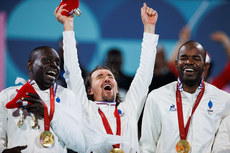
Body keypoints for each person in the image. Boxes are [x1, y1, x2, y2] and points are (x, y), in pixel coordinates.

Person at [55, 2, 159, 152]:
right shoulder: (85, 108)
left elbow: (145, 73)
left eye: (110, 76)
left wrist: (149, 28)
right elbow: (72, 70)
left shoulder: (128, 109)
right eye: (100, 77)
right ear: (89, 90)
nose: (107, 78)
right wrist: (68, 26)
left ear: (117, 89)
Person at [139, 40, 230, 153]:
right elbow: (147, 146)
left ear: (205, 66)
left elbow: (223, 147)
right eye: (183, 58)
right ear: (176, 65)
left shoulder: (223, 100)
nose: (189, 62)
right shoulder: (156, 97)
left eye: (196, 58)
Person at [0, 46, 79, 153]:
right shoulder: (7, 96)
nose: (54, 65)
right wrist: (4, 151)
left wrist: (49, 114)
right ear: (30, 65)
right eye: (46, 60)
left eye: (57, 63)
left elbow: (76, 142)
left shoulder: (68, 96)